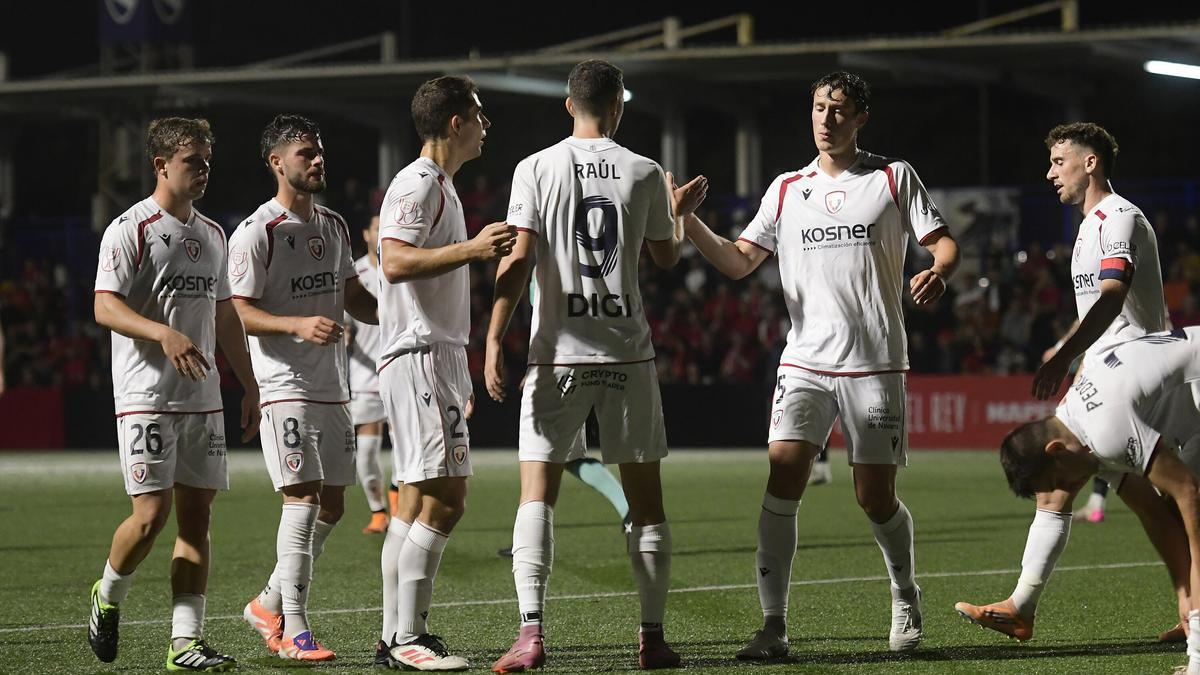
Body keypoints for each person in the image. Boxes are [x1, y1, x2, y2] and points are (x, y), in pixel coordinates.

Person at [684, 70, 961, 658]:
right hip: (805, 362)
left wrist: (939, 270)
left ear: (861, 118)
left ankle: (905, 591)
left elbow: (943, 241)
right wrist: (686, 222)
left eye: (838, 110)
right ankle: (773, 625)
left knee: (873, 497)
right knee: (782, 476)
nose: (826, 120)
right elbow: (738, 262)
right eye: (817, 108)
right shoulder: (786, 188)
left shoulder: (892, 177)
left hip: (875, 364)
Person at [485, 58, 708, 672]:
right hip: (626, 353)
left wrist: (493, 338)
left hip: (556, 352)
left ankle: (530, 634)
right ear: (619, 107)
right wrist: (677, 209)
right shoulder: (645, 170)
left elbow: (518, 261)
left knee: (537, 495)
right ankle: (653, 637)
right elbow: (665, 258)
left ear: (568, 104)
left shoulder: (533, 167)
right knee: (647, 501)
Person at [954, 122, 1190, 643]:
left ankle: (1191, 615)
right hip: (1103, 377)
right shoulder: (1086, 228)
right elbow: (1098, 309)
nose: (1049, 172)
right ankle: (1021, 606)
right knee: (1057, 490)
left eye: (1059, 161)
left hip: (1145, 381)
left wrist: (1065, 354)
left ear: (1091, 163)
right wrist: (1074, 357)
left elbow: (1111, 294)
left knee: (1168, 501)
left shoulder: (1119, 217)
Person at [88, 117, 259, 672]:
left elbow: (227, 314)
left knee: (196, 520)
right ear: (161, 165)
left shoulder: (213, 234)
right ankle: (107, 594)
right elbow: (104, 305)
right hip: (146, 394)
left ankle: (185, 641)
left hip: (203, 398)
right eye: (194, 162)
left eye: (208, 161)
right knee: (150, 516)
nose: (205, 171)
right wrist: (161, 332)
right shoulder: (129, 228)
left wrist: (251, 385)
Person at [375, 75, 515, 671]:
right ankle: (408, 638)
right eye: (479, 114)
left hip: (435, 357)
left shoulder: (441, 186)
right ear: (455, 121)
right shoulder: (420, 182)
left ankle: (395, 636)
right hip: (421, 354)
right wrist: (474, 249)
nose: (486, 124)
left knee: (412, 503)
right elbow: (393, 259)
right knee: (447, 501)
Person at [230, 114, 378, 661]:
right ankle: (293, 628)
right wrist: (295, 324)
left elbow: (351, 295)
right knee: (303, 498)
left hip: (331, 385)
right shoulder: (257, 232)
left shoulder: (334, 226)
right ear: (276, 163)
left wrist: (400, 317)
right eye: (305, 154)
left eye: (319, 151)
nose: (317, 160)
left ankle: (268, 600)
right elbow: (239, 313)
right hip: (283, 383)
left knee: (333, 506)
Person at [995, 327, 1200, 673]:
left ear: (1056, 450)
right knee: (1175, 517)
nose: (1068, 489)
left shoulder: (1105, 431)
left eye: (1059, 481)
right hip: (1194, 413)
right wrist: (1186, 592)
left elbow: (1189, 492)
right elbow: (1155, 513)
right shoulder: (1074, 414)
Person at [345, 214, 392, 535]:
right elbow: (342, 316)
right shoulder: (355, 273)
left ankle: (401, 508)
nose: (383, 233)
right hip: (365, 380)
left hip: (401, 373)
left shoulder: (400, 268)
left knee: (407, 452)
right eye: (378, 228)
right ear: (366, 234)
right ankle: (379, 512)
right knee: (366, 454)